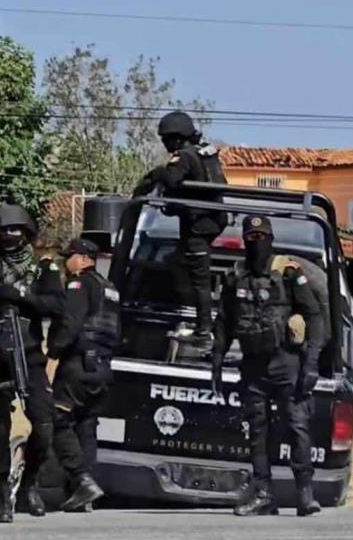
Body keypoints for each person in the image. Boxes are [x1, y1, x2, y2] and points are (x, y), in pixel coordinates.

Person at [212, 215, 325, 517]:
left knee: (296, 426)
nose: (256, 242)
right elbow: (223, 320)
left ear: (271, 239)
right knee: (257, 430)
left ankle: (305, 495)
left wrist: (312, 362)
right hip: (253, 366)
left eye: (261, 237)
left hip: (287, 362)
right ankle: (263, 495)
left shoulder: (288, 273)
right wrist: (217, 361)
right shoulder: (235, 275)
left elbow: (314, 316)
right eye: (251, 237)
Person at [0, 203, 64, 523]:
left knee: (44, 425)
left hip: (29, 354)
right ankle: (3, 496)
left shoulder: (43, 269)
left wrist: (21, 296)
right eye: (4, 231)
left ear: (26, 233)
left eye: (16, 230)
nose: (11, 235)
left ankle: (29, 485)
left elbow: (56, 306)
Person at [133, 110, 227, 339]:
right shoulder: (206, 152)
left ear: (176, 137)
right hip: (209, 219)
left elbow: (172, 178)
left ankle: (204, 326)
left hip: (198, 224)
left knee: (200, 279)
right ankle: (187, 312)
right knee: (180, 265)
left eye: (166, 140)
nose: (165, 144)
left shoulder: (184, 156)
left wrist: (156, 174)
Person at [49, 237, 120, 512]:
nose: (65, 263)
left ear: (83, 259)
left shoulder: (79, 283)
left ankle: (82, 481)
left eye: (68, 257)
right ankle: (83, 496)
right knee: (86, 426)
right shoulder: (110, 288)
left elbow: (71, 323)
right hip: (102, 368)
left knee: (57, 418)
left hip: (78, 365)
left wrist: (53, 355)